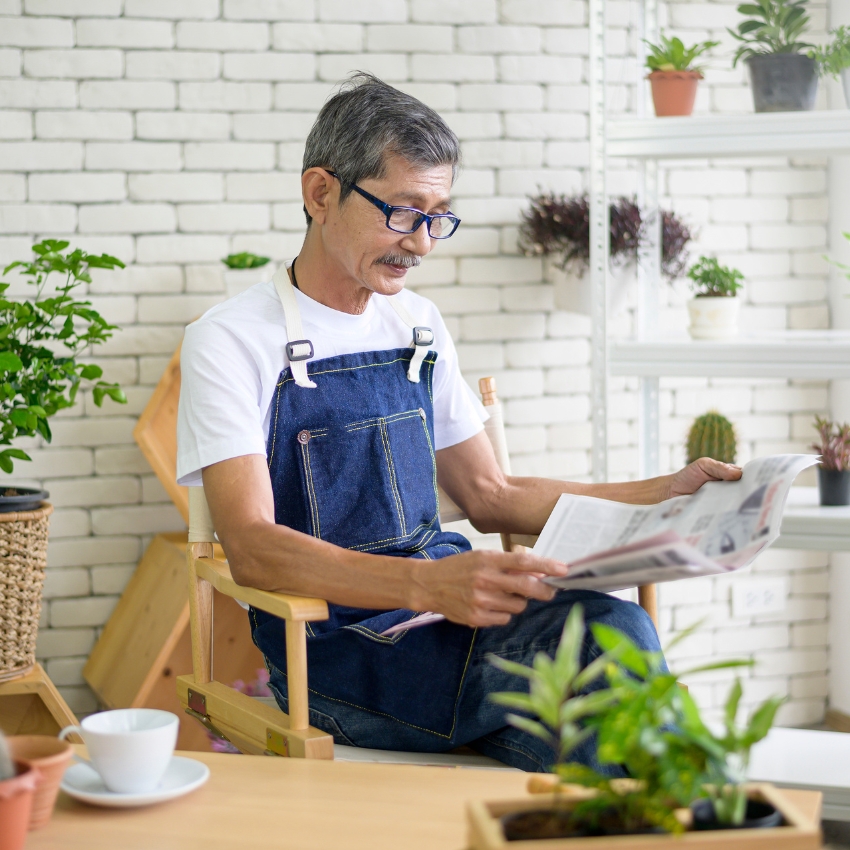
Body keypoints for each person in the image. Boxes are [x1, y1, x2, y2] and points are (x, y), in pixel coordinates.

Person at [176, 73, 741, 772]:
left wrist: (661, 491)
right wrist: (426, 587)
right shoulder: (230, 339)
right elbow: (254, 548)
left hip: (449, 621)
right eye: (403, 211)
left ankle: (688, 808)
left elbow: (491, 496)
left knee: (600, 719)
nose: (422, 243)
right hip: (337, 652)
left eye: (438, 215)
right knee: (609, 643)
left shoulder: (417, 323)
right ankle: (713, 811)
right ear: (321, 192)